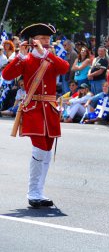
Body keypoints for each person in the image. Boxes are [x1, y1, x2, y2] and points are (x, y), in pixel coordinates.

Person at [2, 23, 69, 208]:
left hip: (50, 109)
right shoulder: (26, 59)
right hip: (33, 109)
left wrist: (48, 53)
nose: (46, 42)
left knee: (47, 151)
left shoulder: (51, 57)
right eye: (42, 39)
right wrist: (20, 56)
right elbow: (7, 75)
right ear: (33, 41)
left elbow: (64, 68)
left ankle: (39, 191)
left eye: (48, 39)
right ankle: (32, 193)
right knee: (39, 149)